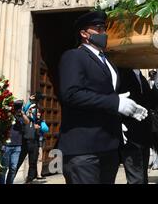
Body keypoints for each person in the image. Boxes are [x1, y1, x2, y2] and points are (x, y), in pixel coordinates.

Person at [58, 11, 148, 184]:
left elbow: (103, 94)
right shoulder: (74, 56)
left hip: (108, 146)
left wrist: (125, 107)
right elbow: (71, 94)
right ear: (84, 34)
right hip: (83, 149)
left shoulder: (107, 61)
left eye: (104, 29)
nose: (104, 33)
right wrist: (115, 103)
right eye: (98, 29)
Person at [117, 67, 158, 184]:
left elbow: (152, 103)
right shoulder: (123, 74)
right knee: (136, 178)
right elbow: (117, 100)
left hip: (144, 134)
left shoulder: (141, 78)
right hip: (130, 134)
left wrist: (157, 82)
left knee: (143, 177)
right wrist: (118, 123)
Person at [0, 100, 30, 184]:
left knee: (13, 168)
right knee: (4, 168)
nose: (18, 109)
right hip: (6, 145)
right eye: (17, 107)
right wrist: (11, 112)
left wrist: (22, 113)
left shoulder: (21, 117)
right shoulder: (8, 116)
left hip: (17, 146)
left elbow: (28, 122)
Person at [18, 104, 49, 183]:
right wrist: (29, 103)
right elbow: (24, 110)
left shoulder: (40, 121)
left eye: (39, 112)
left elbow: (46, 129)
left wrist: (39, 126)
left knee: (33, 163)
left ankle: (29, 180)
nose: (38, 113)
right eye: (37, 111)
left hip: (35, 143)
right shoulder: (26, 118)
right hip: (24, 143)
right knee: (18, 162)